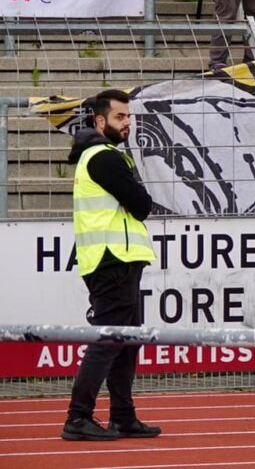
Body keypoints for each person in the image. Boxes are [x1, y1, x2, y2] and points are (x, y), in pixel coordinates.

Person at [62, 90, 160, 443]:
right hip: (111, 260)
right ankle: (78, 417)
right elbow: (141, 205)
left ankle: (123, 416)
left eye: (129, 117)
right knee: (109, 340)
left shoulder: (100, 156)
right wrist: (139, 193)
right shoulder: (103, 158)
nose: (127, 123)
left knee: (126, 340)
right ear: (100, 121)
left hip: (117, 259)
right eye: (120, 117)